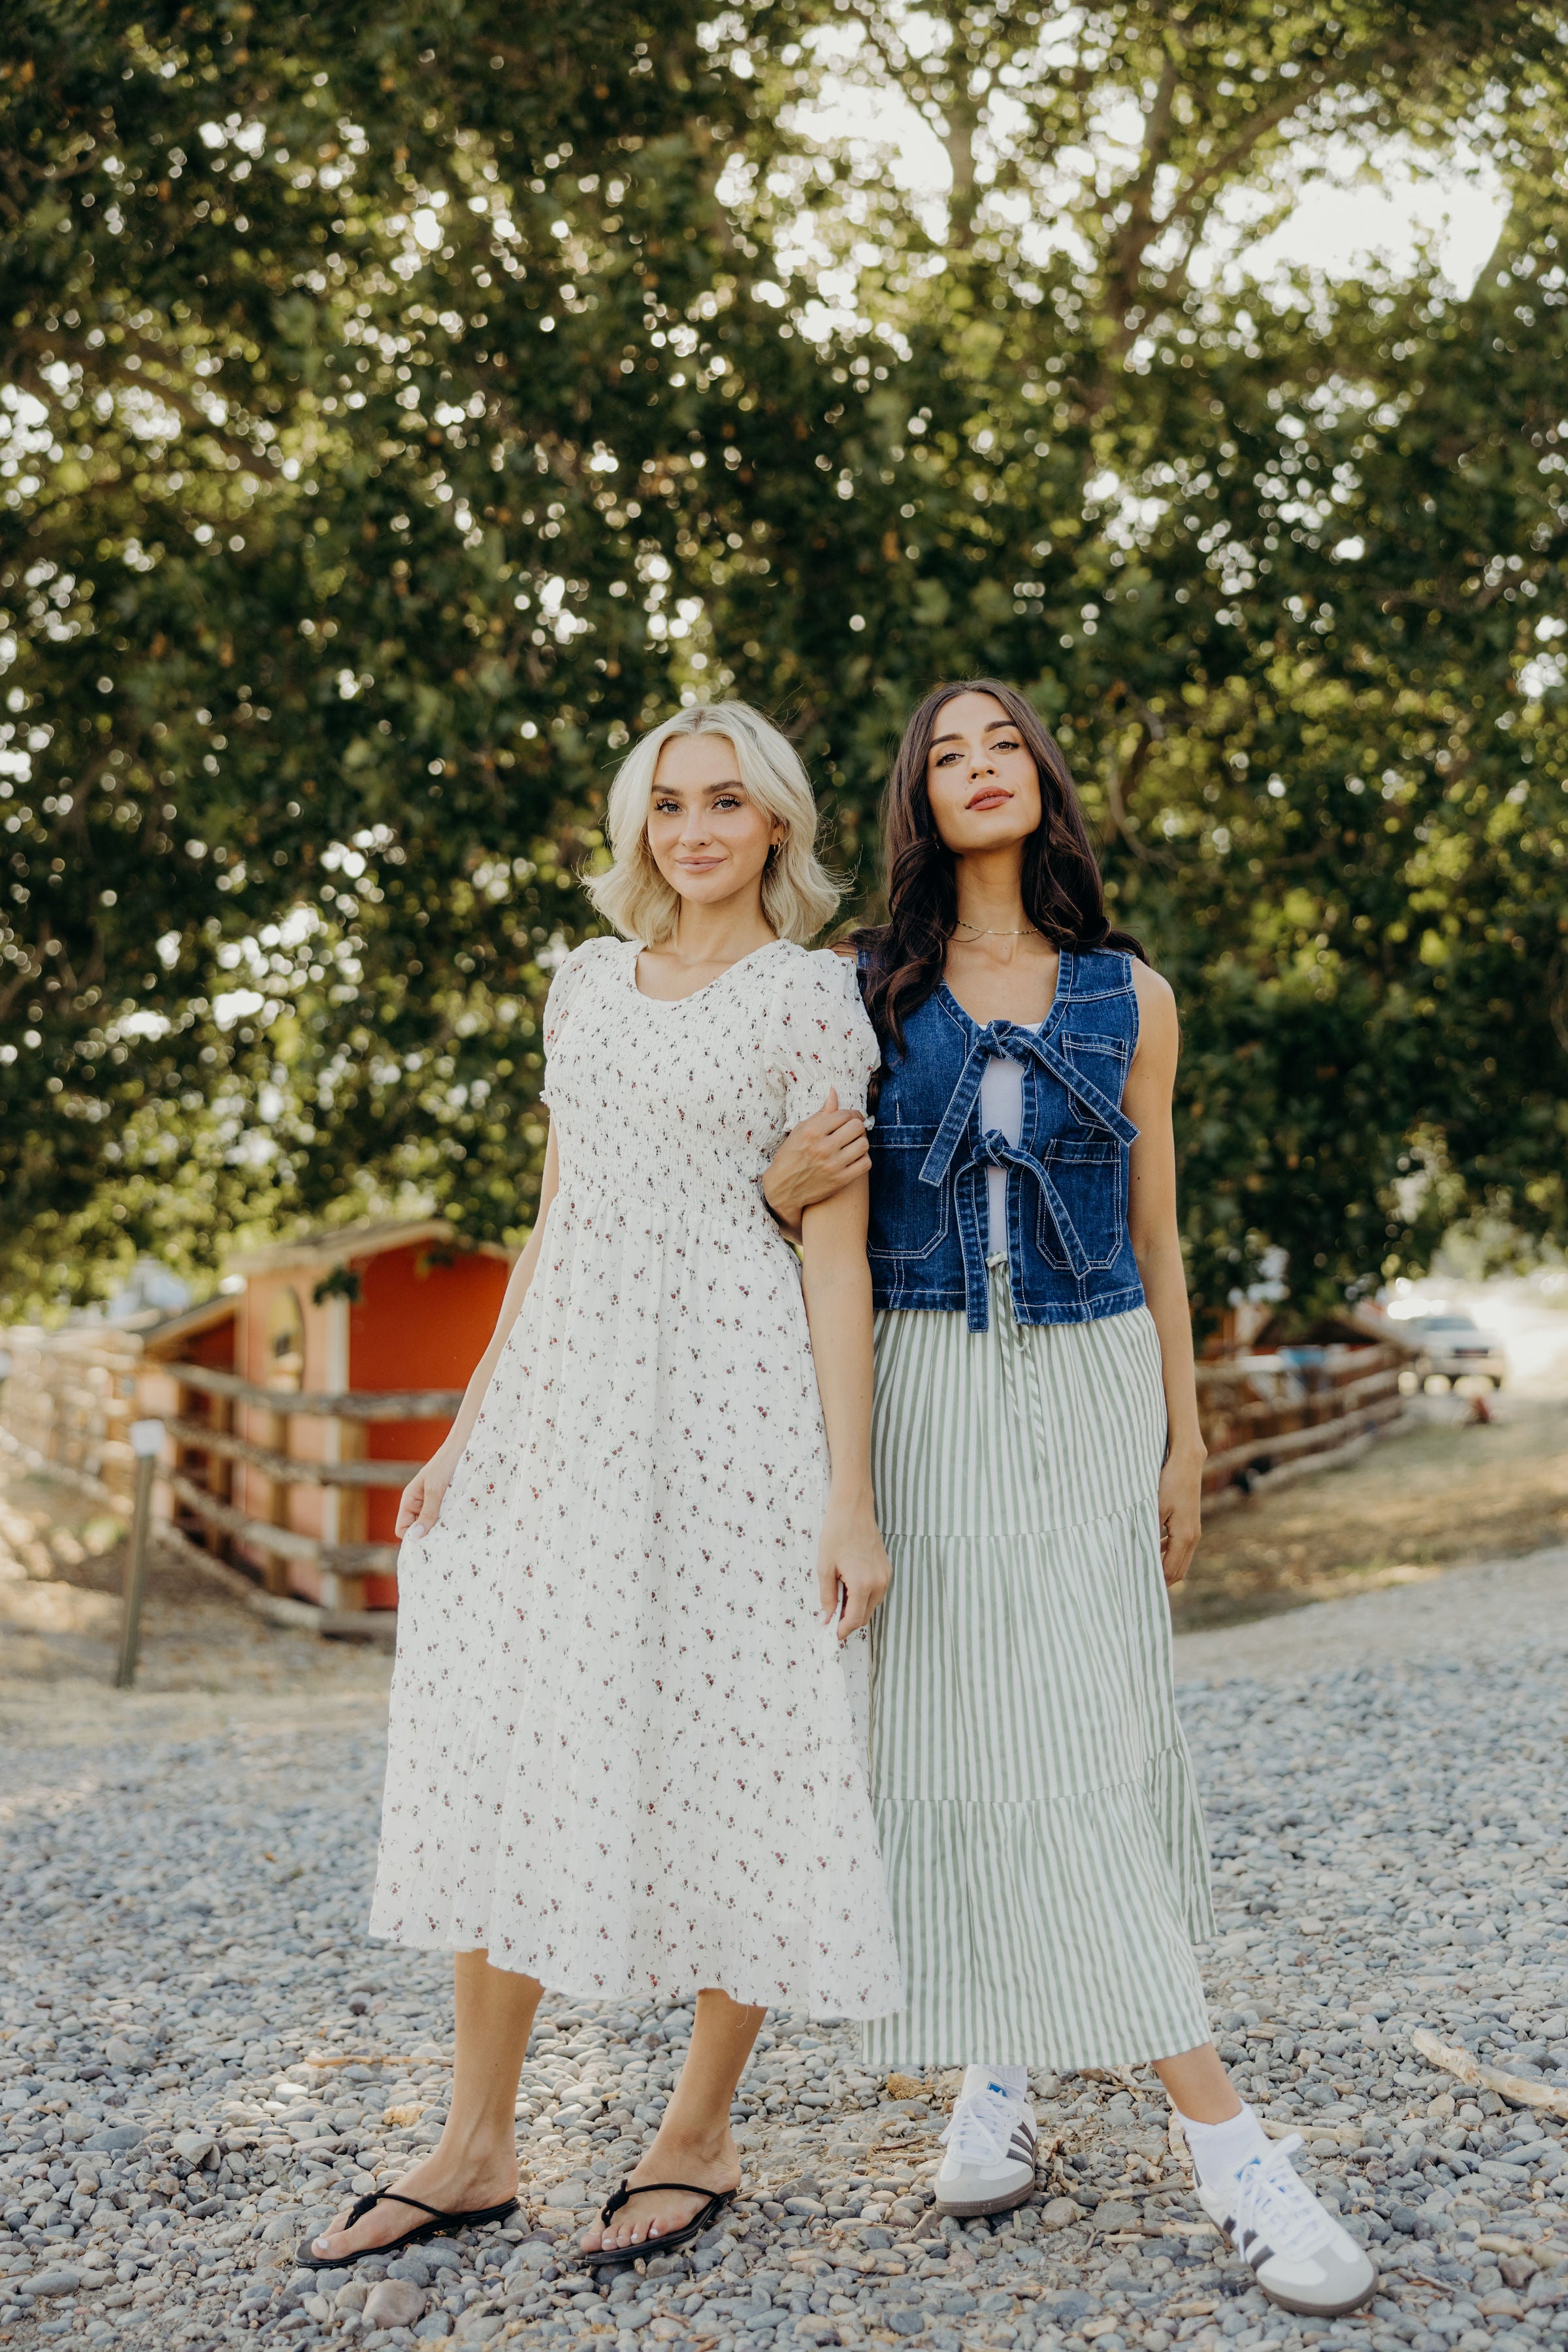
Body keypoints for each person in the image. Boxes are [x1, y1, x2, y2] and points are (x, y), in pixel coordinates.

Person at [762, 680, 1375, 2320]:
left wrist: (1181, 1442)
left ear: (1042, 778)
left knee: (1088, 1745)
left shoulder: (1132, 994)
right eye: (945, 755)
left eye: (1001, 746)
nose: (978, 770)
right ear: (917, 798)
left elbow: (1163, 1238)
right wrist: (841, 1458)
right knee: (963, 1741)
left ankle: (1225, 2150)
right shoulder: (858, 992)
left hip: (1097, 1383)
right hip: (923, 1387)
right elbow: (797, 1213)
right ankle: (1013, 2073)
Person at [304, 701, 903, 2275]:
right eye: (667, 806)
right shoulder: (581, 986)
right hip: (568, 1402)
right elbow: (552, 1225)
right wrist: (466, 1426)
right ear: (638, 827)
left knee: (750, 1733)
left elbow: (832, 1258)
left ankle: (695, 2133)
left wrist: (852, 1494)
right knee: (513, 1723)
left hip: (733, 1406)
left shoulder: (809, 1000)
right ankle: (476, 2142)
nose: (693, 831)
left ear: (776, 825)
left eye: (726, 804)